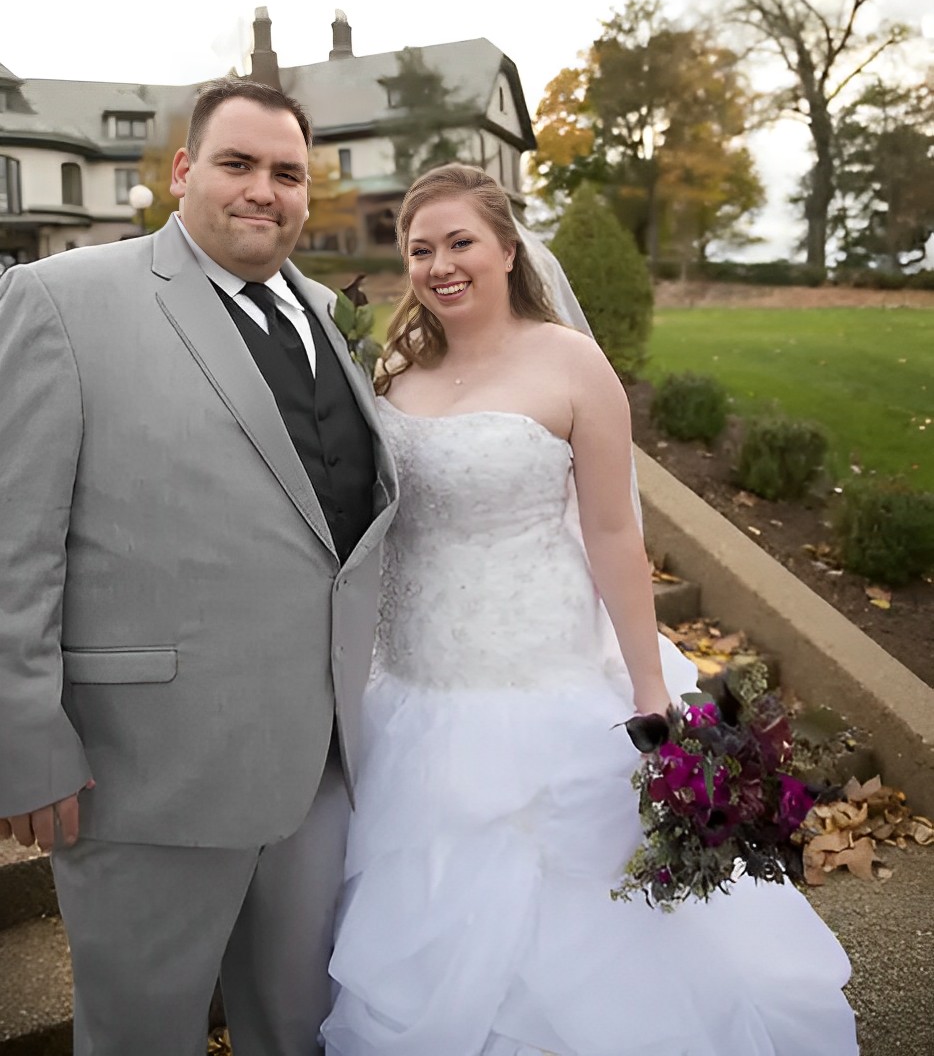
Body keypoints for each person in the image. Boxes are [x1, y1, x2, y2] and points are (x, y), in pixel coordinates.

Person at [321, 163, 858, 1056]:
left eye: (461, 243)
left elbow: (613, 532)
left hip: (540, 669)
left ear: (505, 247)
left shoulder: (571, 362)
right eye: (420, 250)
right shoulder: (396, 365)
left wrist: (651, 689)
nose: (440, 265)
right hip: (412, 673)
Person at [0, 78, 398, 1056]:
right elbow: (14, 537)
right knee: (140, 1035)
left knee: (298, 1028)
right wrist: (23, 736)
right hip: (144, 771)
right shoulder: (61, 298)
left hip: (319, 765)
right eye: (238, 163)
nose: (264, 189)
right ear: (182, 171)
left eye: (287, 172)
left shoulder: (326, 312)